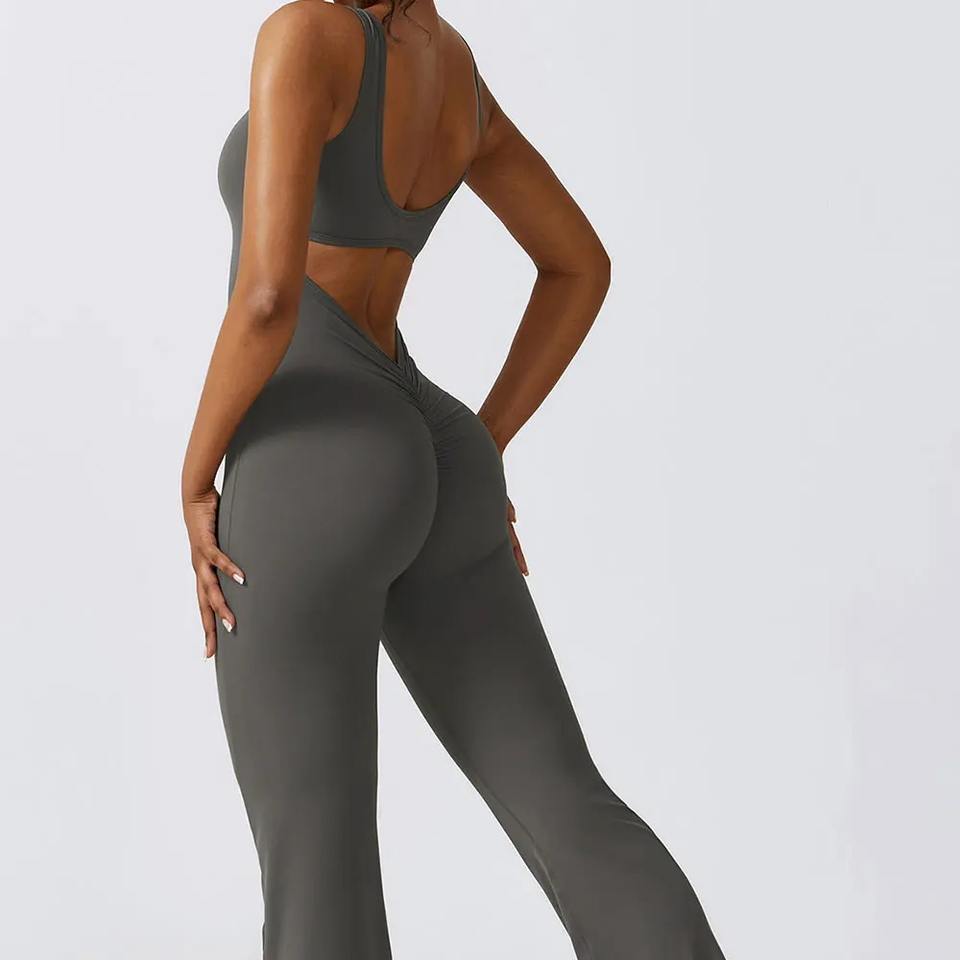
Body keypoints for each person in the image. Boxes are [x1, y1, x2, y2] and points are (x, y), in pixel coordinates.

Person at [181, 2, 726, 957]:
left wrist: (194, 478)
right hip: (435, 450)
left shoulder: (306, 33)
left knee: (317, 859)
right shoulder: (454, 71)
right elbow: (580, 266)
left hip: (312, 458)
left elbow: (267, 299)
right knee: (567, 804)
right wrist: (485, 442)